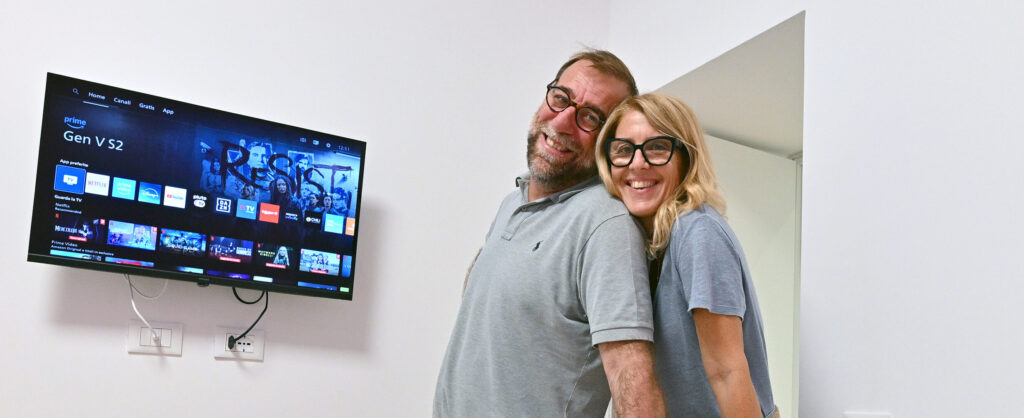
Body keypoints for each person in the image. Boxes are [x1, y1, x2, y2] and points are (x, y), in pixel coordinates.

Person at [434, 50, 664, 417]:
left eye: (590, 117)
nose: (562, 121)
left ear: (609, 143)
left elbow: (632, 382)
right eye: (560, 98)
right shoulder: (513, 202)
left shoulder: (606, 224)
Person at [595, 93, 777, 417]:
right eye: (623, 149)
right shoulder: (642, 244)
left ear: (686, 158)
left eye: (657, 147)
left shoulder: (697, 231)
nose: (637, 163)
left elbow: (727, 372)